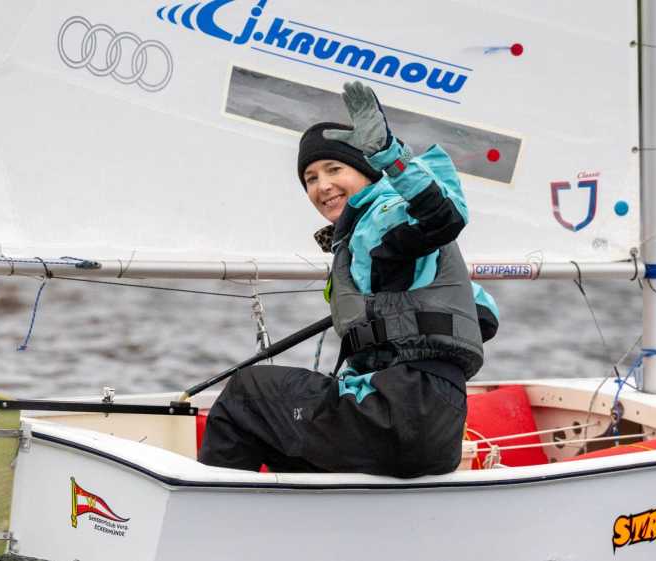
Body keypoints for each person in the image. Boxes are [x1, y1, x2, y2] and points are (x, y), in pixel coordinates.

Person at [197, 81, 499, 478]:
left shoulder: (383, 217)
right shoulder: (381, 246)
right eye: (310, 177)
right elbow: (484, 317)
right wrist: (392, 320)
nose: (322, 186)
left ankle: (210, 520)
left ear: (367, 169)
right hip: (433, 427)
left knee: (246, 395)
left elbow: (444, 217)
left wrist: (392, 156)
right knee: (282, 437)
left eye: (334, 169)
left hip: (400, 412)